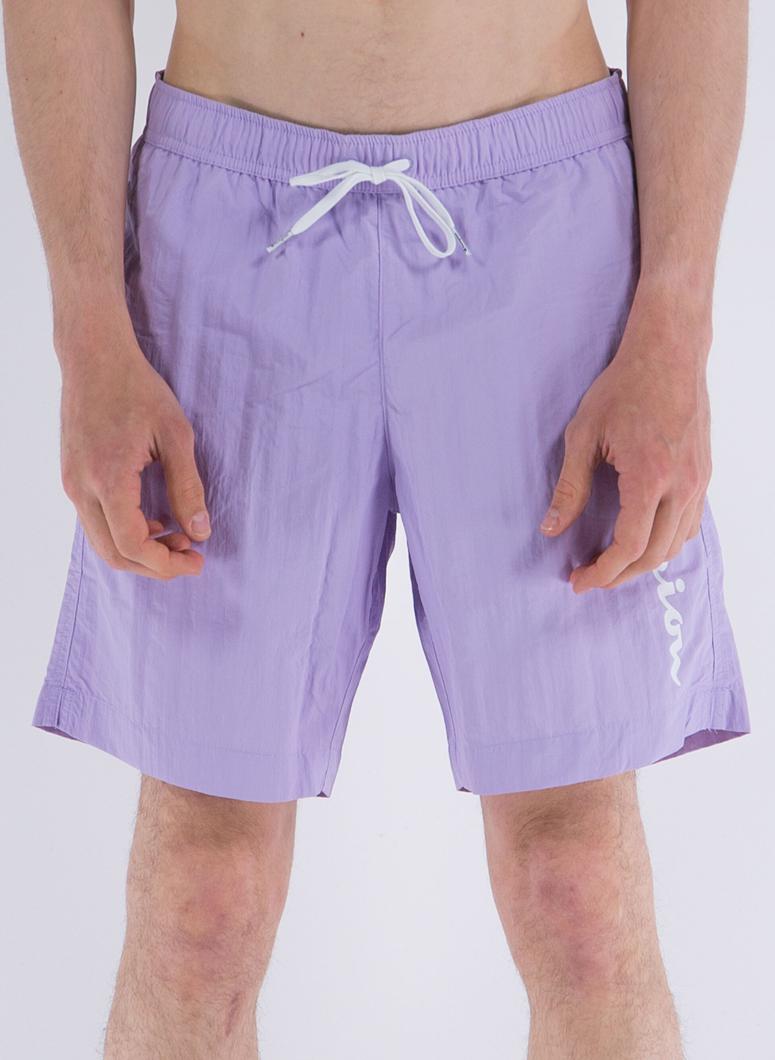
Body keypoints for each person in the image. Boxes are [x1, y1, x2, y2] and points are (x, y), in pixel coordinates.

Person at [4, 0, 751, 1056]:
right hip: (229, 230)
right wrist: (87, 328)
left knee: (576, 886)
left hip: (543, 232)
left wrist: (675, 315)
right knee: (198, 901)